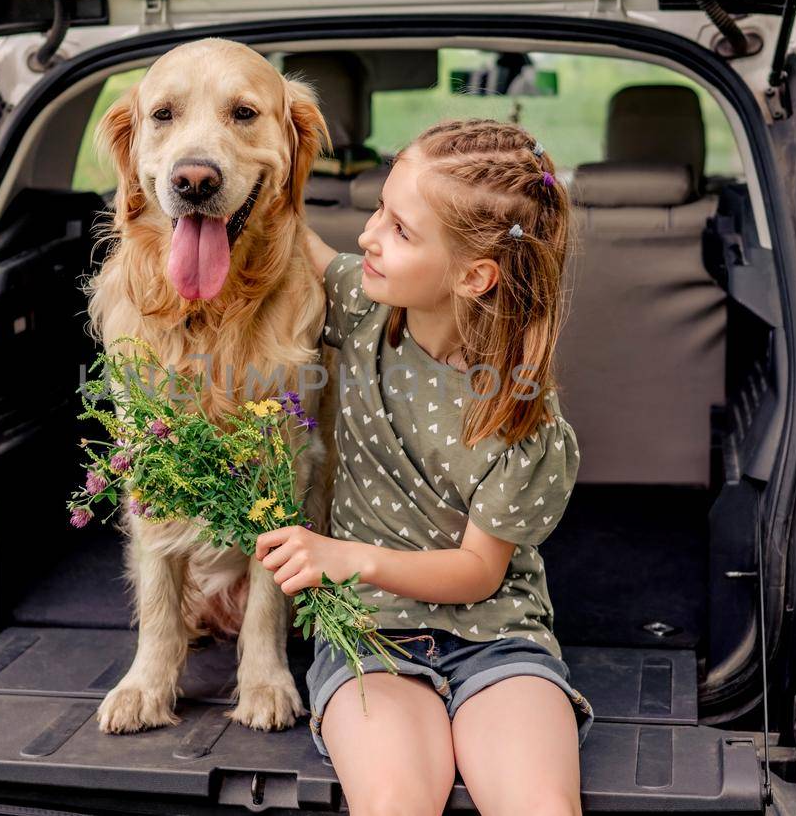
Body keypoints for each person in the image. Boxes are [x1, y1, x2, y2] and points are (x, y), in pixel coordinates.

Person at [254, 118, 592, 815]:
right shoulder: (361, 305)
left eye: (401, 230)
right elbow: (306, 249)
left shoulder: (521, 416)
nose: (370, 234)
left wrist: (345, 557)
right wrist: (266, 174)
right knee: (396, 802)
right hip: (370, 636)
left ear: (474, 276)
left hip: (497, 640)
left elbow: (478, 572)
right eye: (379, 208)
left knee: (541, 806)